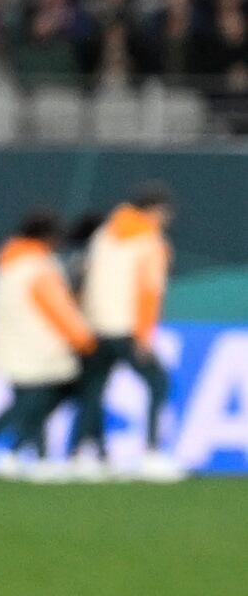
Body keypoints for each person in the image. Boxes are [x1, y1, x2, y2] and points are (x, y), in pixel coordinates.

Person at [0, 212, 93, 474]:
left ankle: (32, 456)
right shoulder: (39, 267)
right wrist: (83, 340)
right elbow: (58, 308)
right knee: (36, 401)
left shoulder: (8, 262)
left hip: (10, 345)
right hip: (38, 349)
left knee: (30, 403)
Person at [77, 187, 173, 469]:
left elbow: (86, 277)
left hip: (95, 325)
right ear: (155, 211)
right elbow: (149, 292)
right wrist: (145, 336)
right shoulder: (149, 240)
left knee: (94, 389)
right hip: (127, 327)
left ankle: (87, 453)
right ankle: (152, 452)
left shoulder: (103, 235)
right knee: (158, 383)